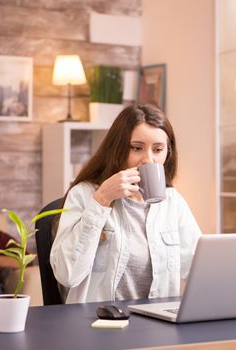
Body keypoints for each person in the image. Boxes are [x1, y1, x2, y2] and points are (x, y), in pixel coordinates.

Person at [50, 104, 202, 304]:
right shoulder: (84, 195)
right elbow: (66, 275)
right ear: (118, 149)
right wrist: (102, 200)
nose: (148, 159)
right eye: (137, 148)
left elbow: (198, 270)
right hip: (98, 324)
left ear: (168, 153)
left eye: (158, 149)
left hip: (157, 324)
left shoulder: (173, 202)